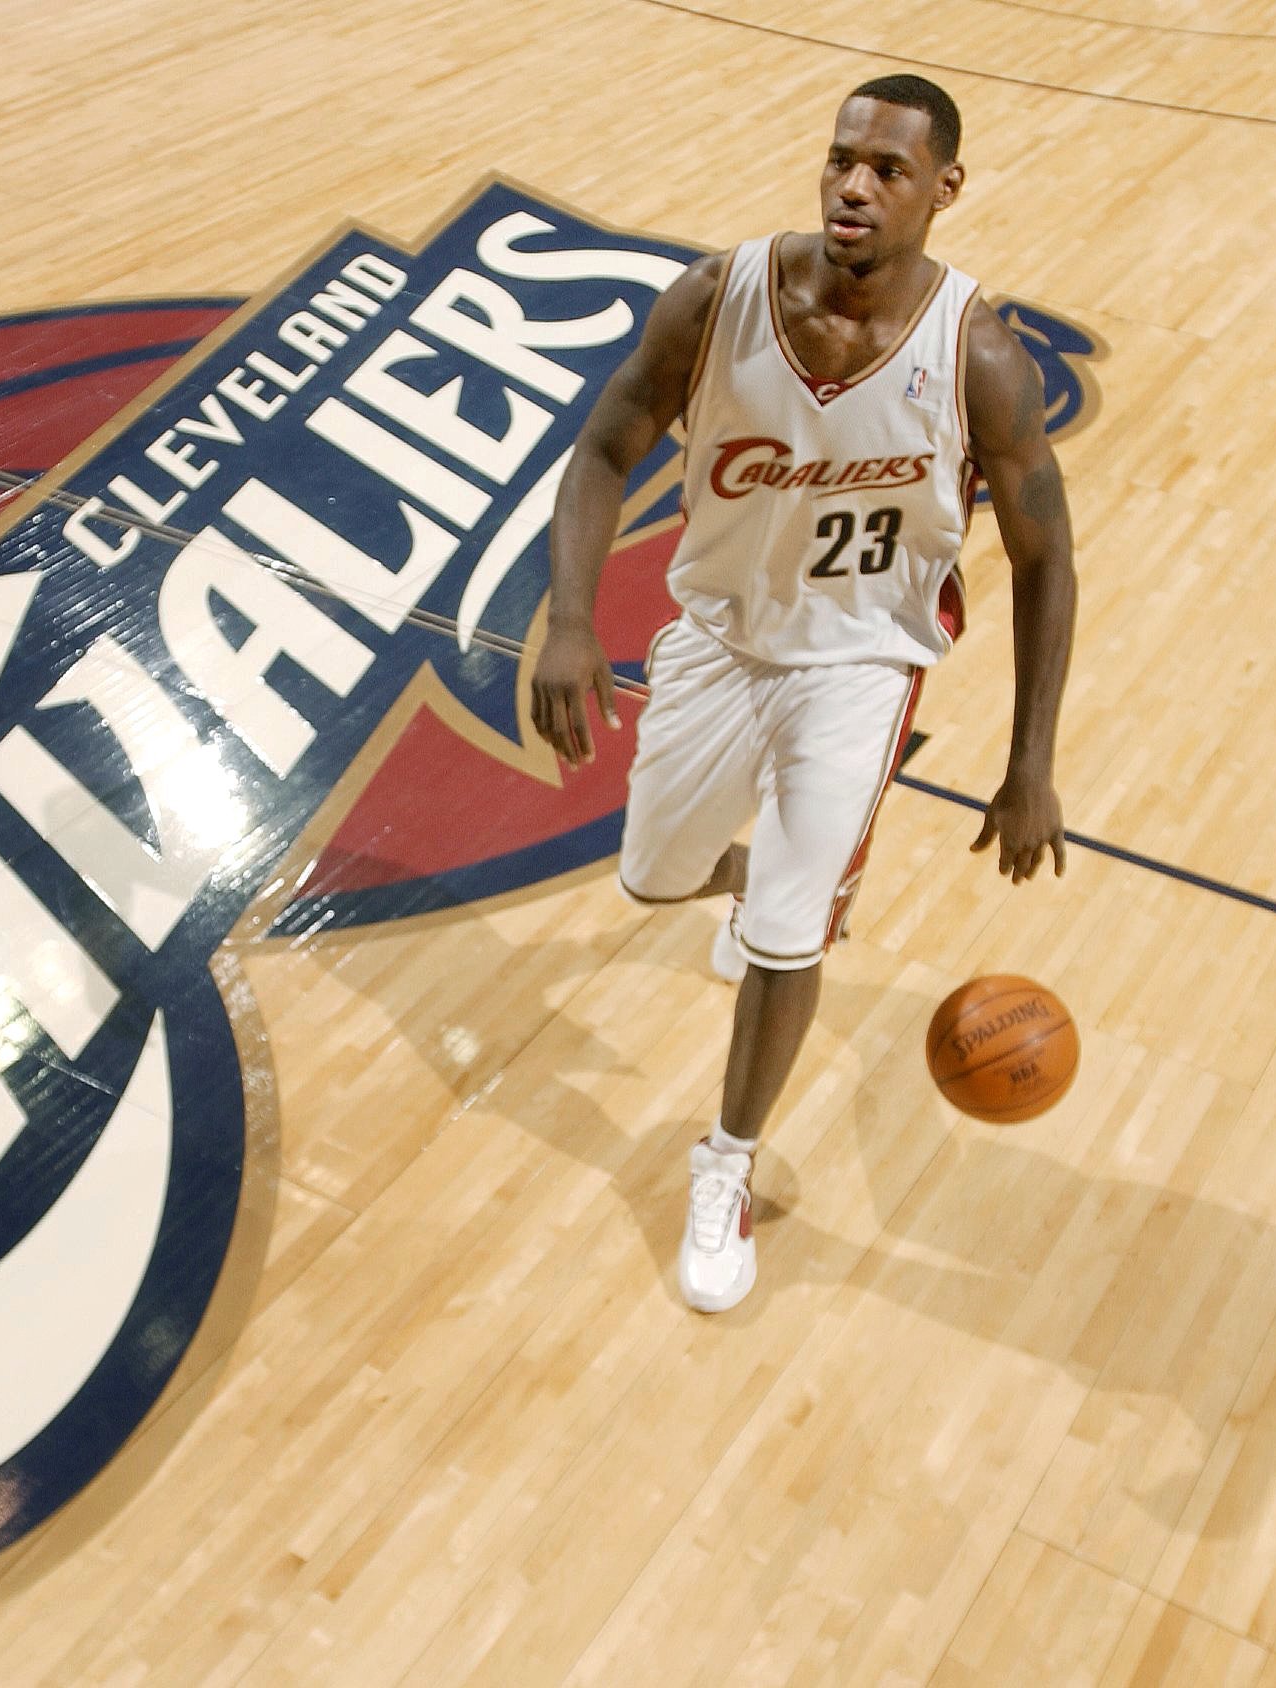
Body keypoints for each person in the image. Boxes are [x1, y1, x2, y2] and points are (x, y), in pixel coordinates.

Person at [529, 73, 1076, 1313]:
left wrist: (1028, 760)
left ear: (943, 190)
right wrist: (567, 617)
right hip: (719, 639)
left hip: (858, 663)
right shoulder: (718, 297)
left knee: (788, 932)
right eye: (841, 158)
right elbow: (605, 443)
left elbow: (1045, 558)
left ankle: (722, 1159)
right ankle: (755, 885)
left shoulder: (976, 357)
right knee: (653, 874)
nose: (852, 184)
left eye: (887, 169)